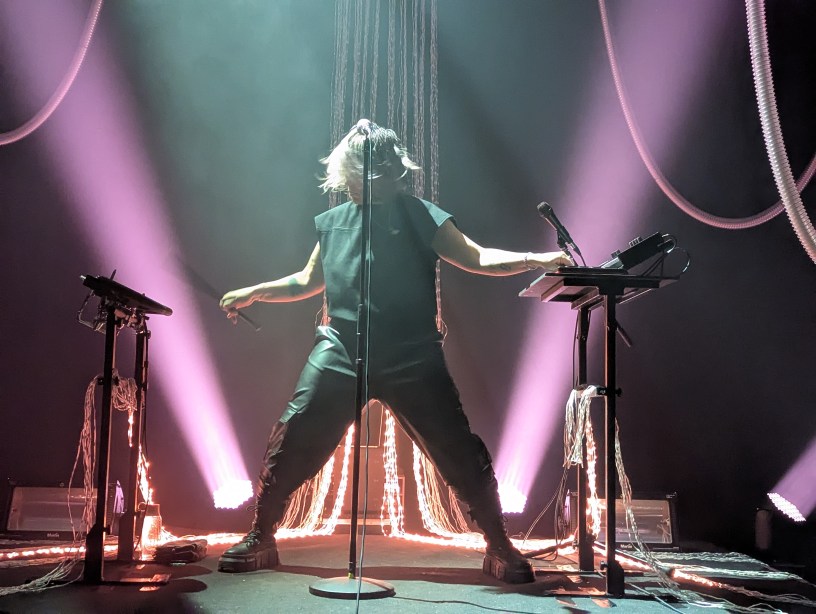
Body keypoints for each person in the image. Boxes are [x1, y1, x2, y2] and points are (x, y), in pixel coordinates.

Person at [217, 119, 573, 584]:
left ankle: (499, 544)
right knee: (293, 432)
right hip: (341, 347)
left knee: (457, 449)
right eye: (351, 175)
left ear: (388, 172)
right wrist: (255, 291)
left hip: (412, 352)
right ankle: (261, 536)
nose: (355, 183)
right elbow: (307, 281)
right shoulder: (334, 222)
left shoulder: (422, 215)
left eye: (364, 174)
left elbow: (477, 257)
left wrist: (536, 259)